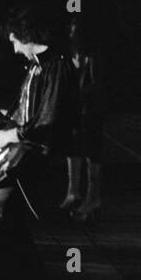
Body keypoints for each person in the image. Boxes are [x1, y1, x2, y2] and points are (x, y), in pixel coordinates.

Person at [0, 4, 79, 230]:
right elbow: (24, 117)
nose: (15, 50)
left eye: (15, 41)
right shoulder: (35, 67)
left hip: (33, 161)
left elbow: (49, 122)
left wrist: (6, 137)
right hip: (21, 157)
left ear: (27, 36)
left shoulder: (57, 66)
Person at [58, 16, 106, 222]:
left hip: (91, 110)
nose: (70, 33)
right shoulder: (69, 55)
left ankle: (93, 197)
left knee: (92, 152)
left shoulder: (93, 56)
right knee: (72, 147)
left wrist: (82, 97)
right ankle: (73, 191)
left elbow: (97, 86)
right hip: (75, 110)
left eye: (74, 30)